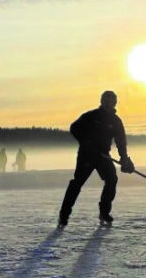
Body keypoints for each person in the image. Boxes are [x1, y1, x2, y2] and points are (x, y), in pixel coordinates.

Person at [58, 90, 135, 227]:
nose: (108, 104)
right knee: (77, 183)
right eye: (106, 101)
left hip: (103, 156)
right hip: (86, 155)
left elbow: (121, 141)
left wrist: (124, 158)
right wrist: (85, 142)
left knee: (112, 179)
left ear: (115, 103)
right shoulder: (90, 115)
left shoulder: (116, 121)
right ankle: (64, 215)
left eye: (111, 101)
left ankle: (104, 212)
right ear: (101, 101)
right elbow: (74, 128)